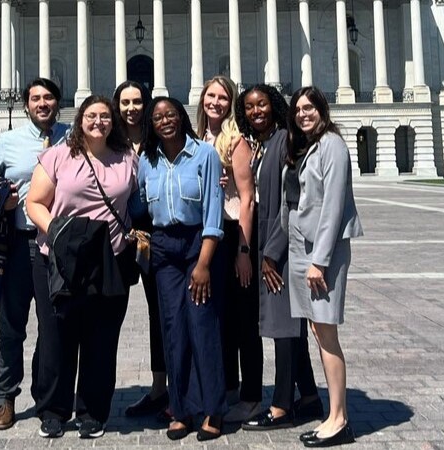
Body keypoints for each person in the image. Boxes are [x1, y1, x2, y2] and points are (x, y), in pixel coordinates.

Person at [26, 95, 136, 439]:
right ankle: (54, 410)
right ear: (80, 120)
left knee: (101, 338)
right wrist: (57, 234)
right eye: (92, 115)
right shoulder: (59, 155)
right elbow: (34, 203)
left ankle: (93, 410)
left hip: (109, 257)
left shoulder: (127, 158)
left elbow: (141, 201)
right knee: (57, 336)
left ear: (112, 122)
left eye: (105, 116)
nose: (99, 121)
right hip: (60, 258)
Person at [0, 77, 70, 431]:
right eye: (35, 99)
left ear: (57, 103)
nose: (42, 104)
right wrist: (3, 199)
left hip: (57, 245)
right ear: (27, 103)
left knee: (53, 326)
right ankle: (5, 398)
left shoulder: (72, 138)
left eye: (48, 98)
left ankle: (48, 398)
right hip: (18, 243)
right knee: (11, 325)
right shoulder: (6, 142)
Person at [136, 97, 226, 441]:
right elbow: (139, 202)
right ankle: (181, 409)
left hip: (197, 245)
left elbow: (213, 210)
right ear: (152, 124)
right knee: (172, 328)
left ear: (181, 117)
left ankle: (213, 408)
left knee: (202, 324)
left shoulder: (204, 154)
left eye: (170, 114)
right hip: (163, 246)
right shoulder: (147, 160)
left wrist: (203, 263)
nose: (164, 121)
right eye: (157, 117)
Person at [234, 84, 323, 432]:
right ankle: (312, 397)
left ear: (275, 106)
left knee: (285, 329)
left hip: (281, 249)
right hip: (268, 246)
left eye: (263, 105)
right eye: (251, 107)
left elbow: (294, 204)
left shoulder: (287, 140)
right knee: (289, 329)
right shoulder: (264, 144)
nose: (257, 111)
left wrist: (271, 254)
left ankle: (282, 405)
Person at [282, 86, 363, 447]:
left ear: (322, 109)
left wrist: (320, 261)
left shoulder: (332, 144)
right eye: (298, 109)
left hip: (320, 253)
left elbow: (332, 205)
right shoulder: (306, 145)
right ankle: (333, 414)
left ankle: (339, 418)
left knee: (326, 333)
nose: (303, 114)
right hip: (304, 247)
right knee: (319, 331)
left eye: (310, 107)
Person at [195, 75, 262, 423]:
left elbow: (248, 199)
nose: (216, 102)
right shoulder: (201, 139)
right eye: (211, 96)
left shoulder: (236, 140)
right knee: (222, 319)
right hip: (213, 234)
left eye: (223, 97)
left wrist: (244, 251)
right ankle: (230, 388)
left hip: (236, 232)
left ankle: (251, 395)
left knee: (244, 320)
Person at [112, 81, 170, 418]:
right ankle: (94, 390)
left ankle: (161, 387)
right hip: (118, 236)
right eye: (125, 102)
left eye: (137, 101)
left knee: (160, 311)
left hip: (152, 236)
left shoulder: (158, 139)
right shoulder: (110, 141)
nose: (131, 108)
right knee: (107, 312)